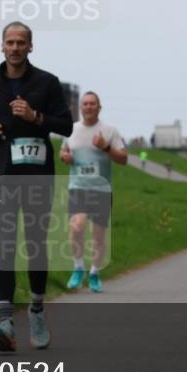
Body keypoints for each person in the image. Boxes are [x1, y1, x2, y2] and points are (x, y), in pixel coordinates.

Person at [0, 21, 73, 351]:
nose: (15, 48)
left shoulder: (47, 82)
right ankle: (5, 320)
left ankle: (35, 309)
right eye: (10, 42)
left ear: (31, 47)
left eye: (21, 43)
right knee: (4, 243)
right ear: (1, 46)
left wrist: (36, 117)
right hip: (3, 170)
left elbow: (67, 125)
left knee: (35, 243)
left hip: (37, 173)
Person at [60, 91, 127, 292]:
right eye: (85, 104)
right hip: (78, 187)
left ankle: (95, 273)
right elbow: (63, 150)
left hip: (101, 190)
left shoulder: (110, 130)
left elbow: (123, 159)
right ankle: (78, 268)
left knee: (98, 236)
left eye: (92, 104)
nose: (88, 107)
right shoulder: (71, 130)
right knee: (76, 228)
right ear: (81, 107)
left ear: (99, 107)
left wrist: (106, 147)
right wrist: (64, 156)